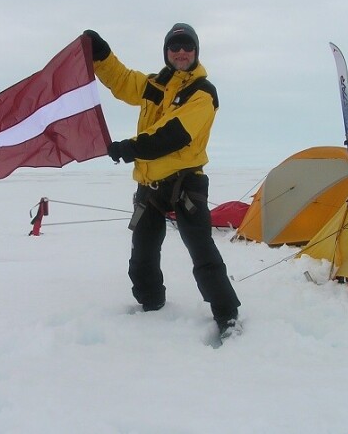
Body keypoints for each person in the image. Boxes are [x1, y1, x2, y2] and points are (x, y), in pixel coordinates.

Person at [84, 23, 241, 337]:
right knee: (142, 253)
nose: (181, 52)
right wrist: (101, 55)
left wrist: (130, 147)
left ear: (196, 52)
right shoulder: (156, 85)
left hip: (186, 185)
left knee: (202, 252)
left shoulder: (202, 93)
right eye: (175, 46)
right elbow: (123, 80)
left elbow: (174, 134)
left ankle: (228, 317)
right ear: (167, 51)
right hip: (150, 186)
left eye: (187, 47)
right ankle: (150, 305)